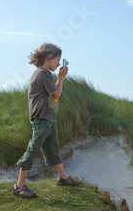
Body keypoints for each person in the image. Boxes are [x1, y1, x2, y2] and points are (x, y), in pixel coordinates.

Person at [12, 43, 82, 198]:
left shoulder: (42, 73)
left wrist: (59, 78)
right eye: (57, 60)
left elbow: (53, 95)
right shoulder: (43, 73)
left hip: (48, 118)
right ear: (49, 58)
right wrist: (61, 78)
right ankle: (19, 185)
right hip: (42, 119)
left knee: (53, 149)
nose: (58, 64)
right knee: (33, 149)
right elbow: (56, 94)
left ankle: (63, 178)